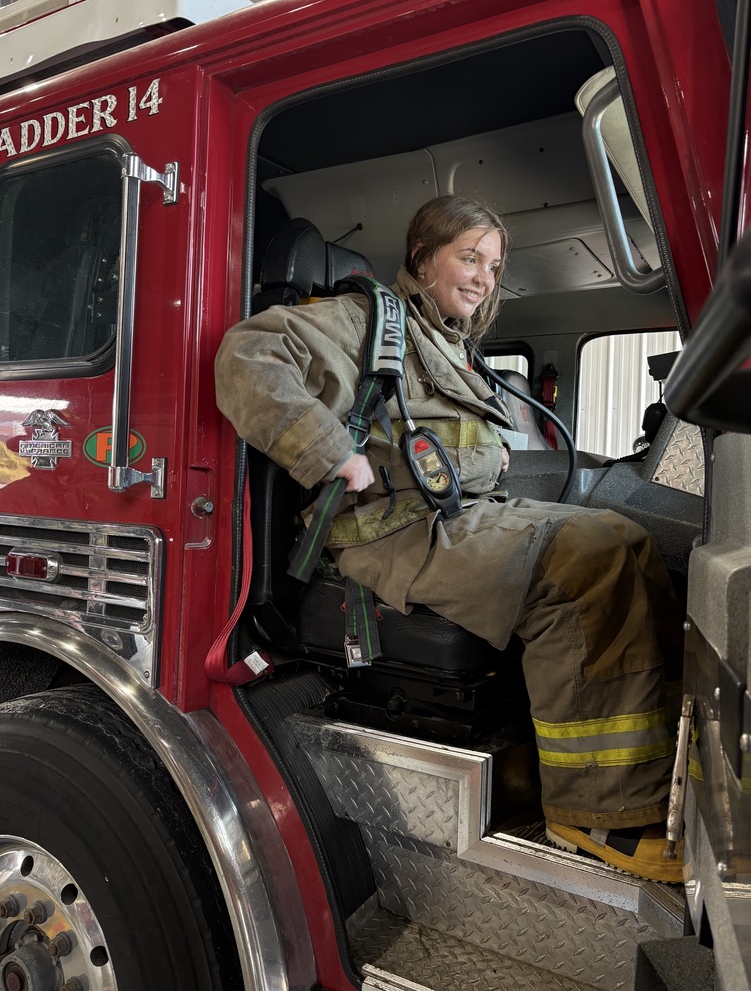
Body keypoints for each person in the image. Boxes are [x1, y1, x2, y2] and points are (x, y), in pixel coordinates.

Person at [215, 195, 684, 883]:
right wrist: (329, 455)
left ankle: (657, 779)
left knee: (627, 538)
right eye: (468, 257)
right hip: (393, 536)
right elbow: (248, 355)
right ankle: (597, 814)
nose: (484, 277)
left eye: (493, 265)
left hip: (453, 522)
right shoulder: (368, 320)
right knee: (595, 558)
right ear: (422, 258)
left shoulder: (452, 346)